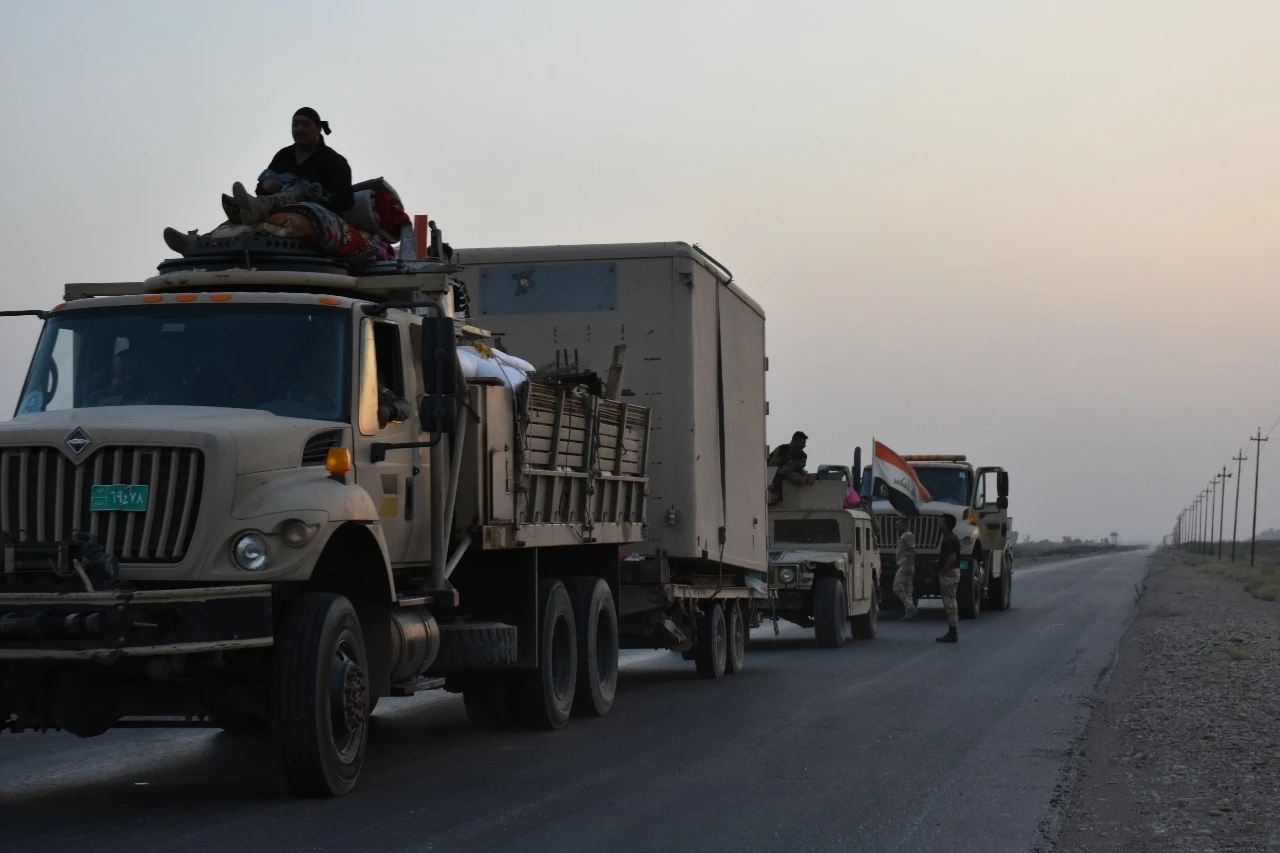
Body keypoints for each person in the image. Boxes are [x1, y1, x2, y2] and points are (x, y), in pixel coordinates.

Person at [163, 107, 355, 255]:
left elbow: (346, 201)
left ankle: (257, 208)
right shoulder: (283, 156)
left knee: (297, 189)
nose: (299, 129)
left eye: (305, 124)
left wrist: (321, 193)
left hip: (312, 207)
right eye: (295, 124)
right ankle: (196, 244)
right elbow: (261, 187)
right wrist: (266, 186)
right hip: (277, 205)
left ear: (318, 128)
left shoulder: (335, 162)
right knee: (240, 222)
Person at [936, 513, 962, 643]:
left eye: (941, 521)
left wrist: (943, 572)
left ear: (946, 525)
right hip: (952, 572)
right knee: (951, 601)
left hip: (949, 574)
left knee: (950, 603)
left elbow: (952, 559)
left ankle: (953, 632)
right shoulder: (950, 537)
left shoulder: (949, 539)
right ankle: (952, 631)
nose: (939, 523)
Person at [893, 517, 918, 620]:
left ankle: (910, 607)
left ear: (904, 525)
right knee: (908, 590)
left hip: (905, 565)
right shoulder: (905, 535)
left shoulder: (908, 535)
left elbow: (912, 551)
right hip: (906, 565)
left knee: (897, 587)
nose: (896, 527)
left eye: (898, 525)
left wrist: (907, 565)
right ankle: (909, 613)